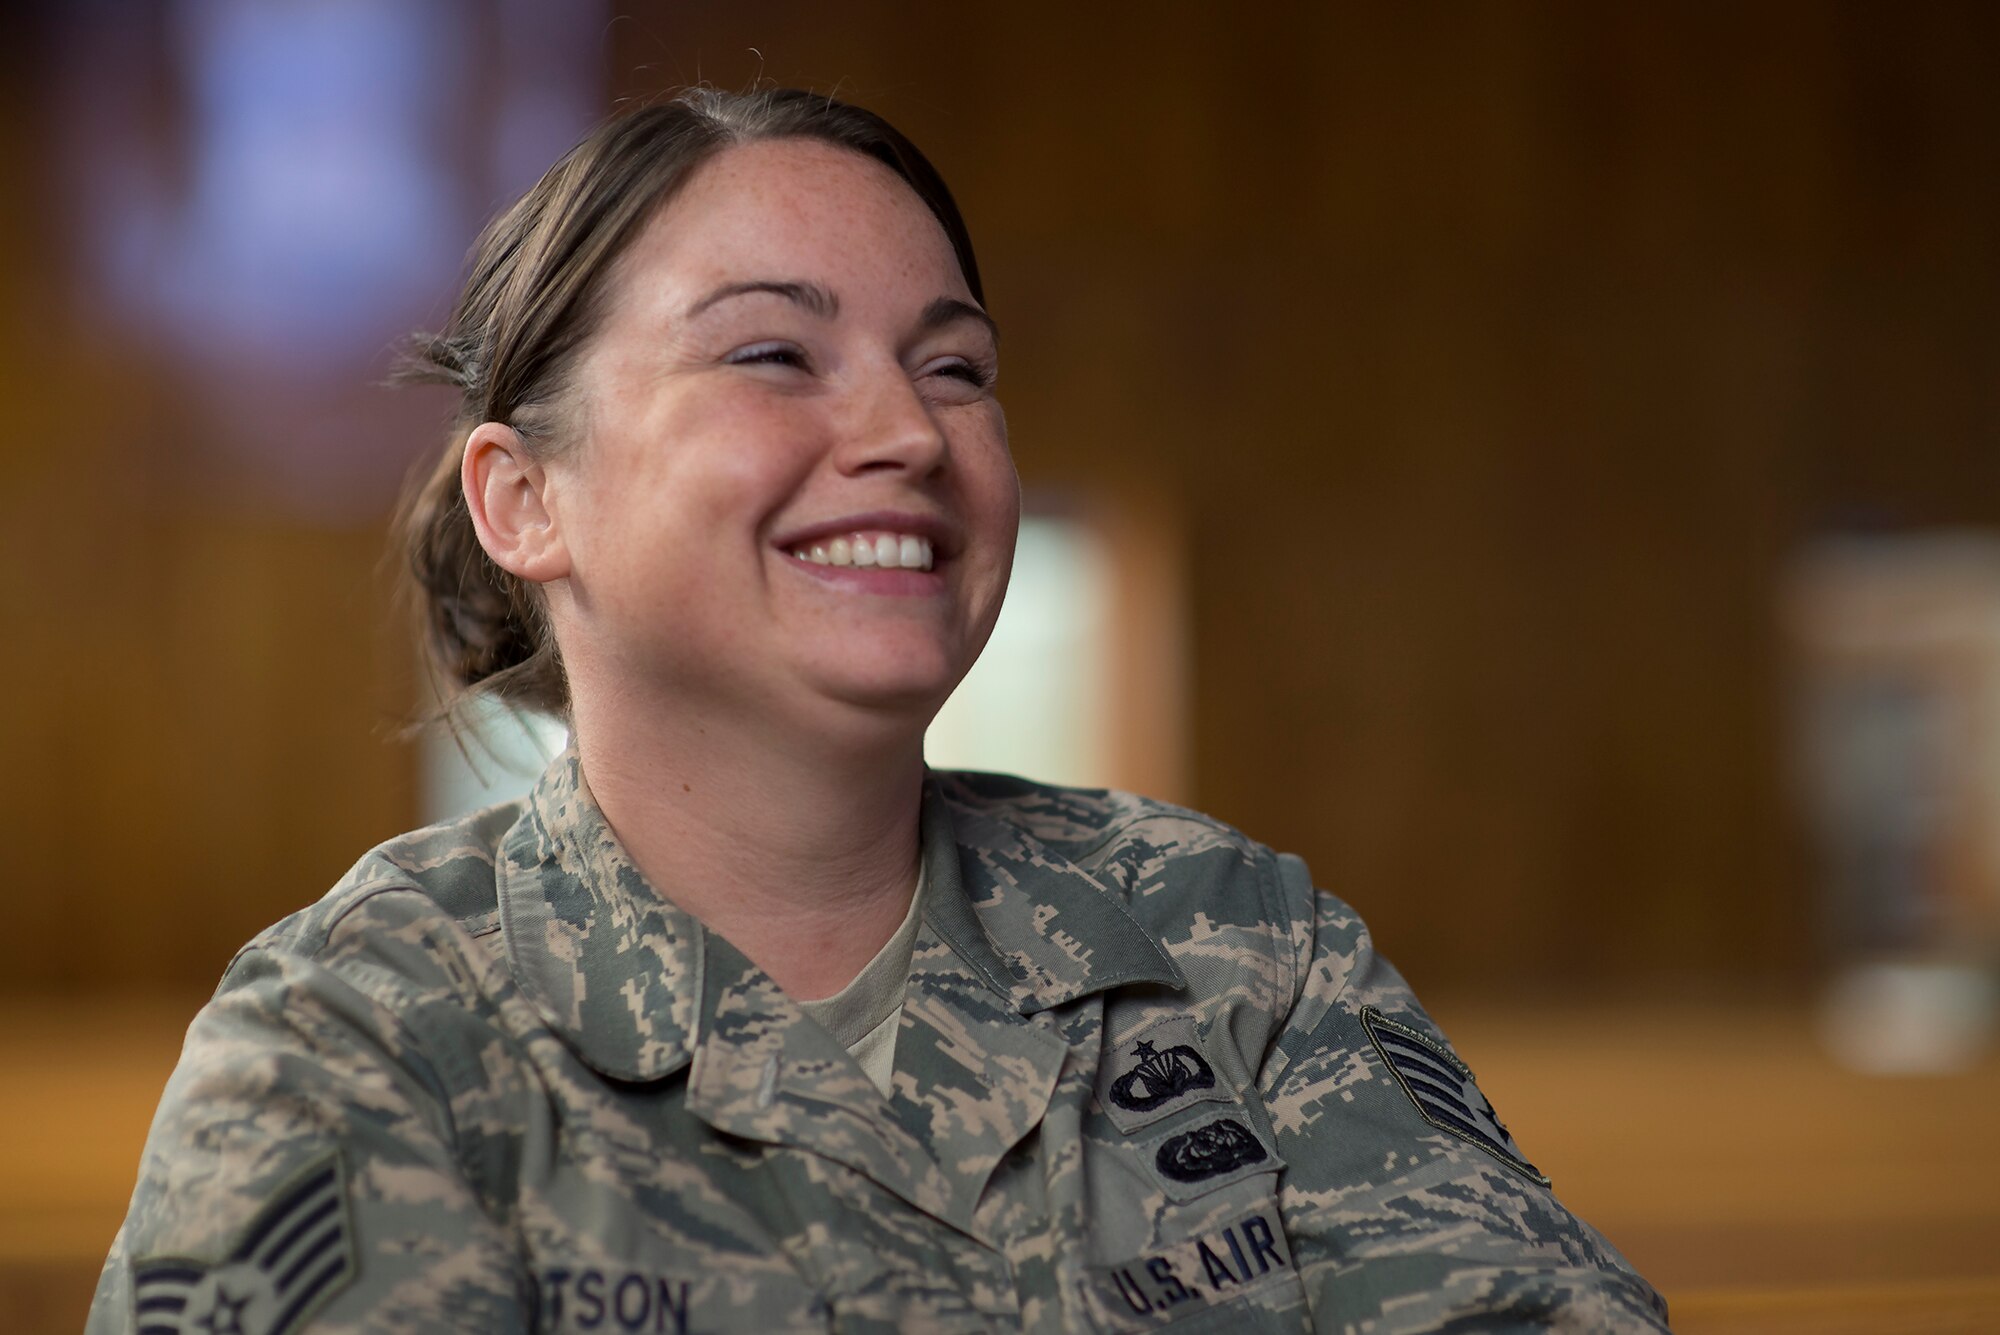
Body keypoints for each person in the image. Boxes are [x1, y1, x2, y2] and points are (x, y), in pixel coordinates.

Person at [89, 87, 1669, 1334]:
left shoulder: (1229, 941)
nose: (909, 431)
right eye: (774, 353)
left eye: (958, 369)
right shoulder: (362, 1037)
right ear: (526, 498)